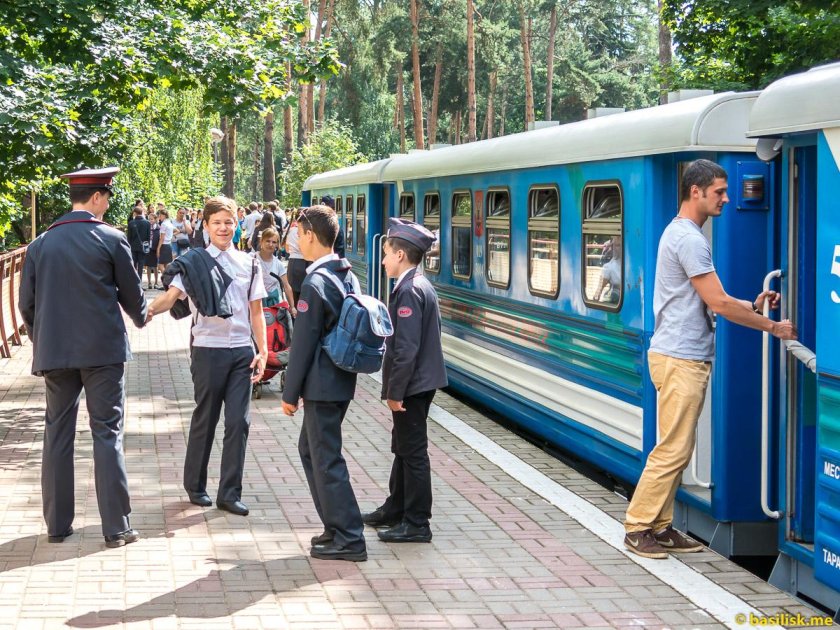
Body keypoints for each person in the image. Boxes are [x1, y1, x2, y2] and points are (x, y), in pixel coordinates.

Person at [623, 159, 797, 559]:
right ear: (696, 191)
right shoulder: (689, 239)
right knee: (671, 449)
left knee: (679, 448)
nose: (726, 198)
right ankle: (637, 527)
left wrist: (751, 303)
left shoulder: (684, 235)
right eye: (719, 191)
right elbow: (716, 301)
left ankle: (661, 526)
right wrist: (773, 328)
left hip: (680, 353)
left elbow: (709, 299)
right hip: (680, 357)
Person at [18, 166, 149, 548]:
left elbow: (27, 304)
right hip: (103, 352)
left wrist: (43, 336)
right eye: (107, 197)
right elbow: (131, 294)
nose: (107, 204)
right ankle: (116, 528)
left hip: (55, 351)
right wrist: (142, 316)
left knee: (57, 432)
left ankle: (57, 526)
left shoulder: (41, 244)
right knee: (107, 432)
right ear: (96, 197)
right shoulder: (111, 238)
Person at [150, 196, 267, 516]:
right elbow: (171, 298)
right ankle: (195, 486)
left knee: (238, 423)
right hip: (207, 349)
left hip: (242, 351)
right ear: (206, 226)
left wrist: (264, 349)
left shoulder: (250, 263)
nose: (223, 228)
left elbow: (256, 310)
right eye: (216, 222)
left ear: (236, 225)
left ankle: (230, 493)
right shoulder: (193, 262)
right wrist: (144, 311)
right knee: (207, 417)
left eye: (228, 222)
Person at [281, 205, 366, 562]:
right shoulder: (345, 273)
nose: (298, 241)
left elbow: (303, 342)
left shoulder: (315, 283)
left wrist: (289, 394)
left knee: (325, 458)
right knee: (311, 451)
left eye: (299, 234)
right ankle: (335, 527)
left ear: (310, 236)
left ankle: (349, 536)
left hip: (321, 384)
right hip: (339, 380)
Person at [363, 218, 448, 543]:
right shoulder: (418, 285)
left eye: (385, 253)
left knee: (413, 453)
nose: (382, 260)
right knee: (402, 447)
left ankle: (417, 522)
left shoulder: (410, 291)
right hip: (420, 382)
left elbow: (406, 349)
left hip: (413, 385)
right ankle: (395, 507)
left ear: (400, 255)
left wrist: (395, 391)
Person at [253, 228, 296, 312]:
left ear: (277, 245)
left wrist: (292, 307)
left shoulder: (278, 264)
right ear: (261, 241)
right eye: (267, 241)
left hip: (274, 306)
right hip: (255, 305)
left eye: (274, 242)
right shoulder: (251, 259)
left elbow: (287, 286)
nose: (270, 244)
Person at [285, 210, 311, 305]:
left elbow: (287, 249)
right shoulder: (309, 231)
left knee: (293, 292)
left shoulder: (291, 231)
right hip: (306, 262)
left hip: (293, 262)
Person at [126, 206, 151, 280]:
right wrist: (147, 246)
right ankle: (139, 281)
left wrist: (128, 246)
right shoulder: (147, 223)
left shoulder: (131, 223)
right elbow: (148, 236)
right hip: (143, 247)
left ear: (135, 213)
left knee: (133, 265)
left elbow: (129, 237)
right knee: (141, 265)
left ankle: (133, 281)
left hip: (133, 247)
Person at [144, 213, 161, 289]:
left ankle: (156, 282)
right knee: (148, 266)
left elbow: (160, 238)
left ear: (155, 219)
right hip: (148, 248)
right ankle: (149, 283)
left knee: (155, 266)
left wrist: (159, 248)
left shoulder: (158, 228)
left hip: (155, 248)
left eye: (151, 219)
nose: (150, 220)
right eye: (149, 219)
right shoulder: (147, 227)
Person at [157, 208, 174, 277]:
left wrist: (158, 248)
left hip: (164, 245)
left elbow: (162, 238)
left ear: (164, 215)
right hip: (169, 245)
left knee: (160, 264)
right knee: (166, 264)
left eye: (160, 215)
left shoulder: (164, 224)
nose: (159, 217)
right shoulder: (169, 223)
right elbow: (176, 230)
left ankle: (167, 278)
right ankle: (168, 281)